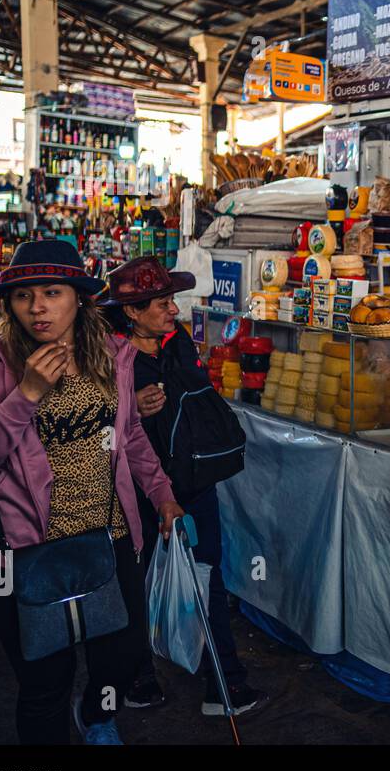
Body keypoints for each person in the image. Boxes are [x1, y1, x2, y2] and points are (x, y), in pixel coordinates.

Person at [0, 239, 184, 745]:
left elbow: (129, 436)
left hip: (107, 535)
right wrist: (25, 395)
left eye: (52, 292)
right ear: (8, 304)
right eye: (23, 296)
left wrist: (161, 492)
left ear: (78, 297)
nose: (37, 307)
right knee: (44, 681)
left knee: (119, 660)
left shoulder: (113, 355)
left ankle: (97, 718)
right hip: (23, 547)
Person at [100, 255, 266, 717]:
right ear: (131, 311)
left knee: (207, 580)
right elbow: (93, 430)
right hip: (134, 492)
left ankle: (224, 686)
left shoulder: (178, 346)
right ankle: (140, 678)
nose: (173, 309)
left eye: (172, 299)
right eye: (161, 302)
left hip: (192, 485)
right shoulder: (107, 357)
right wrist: (128, 406)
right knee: (137, 585)